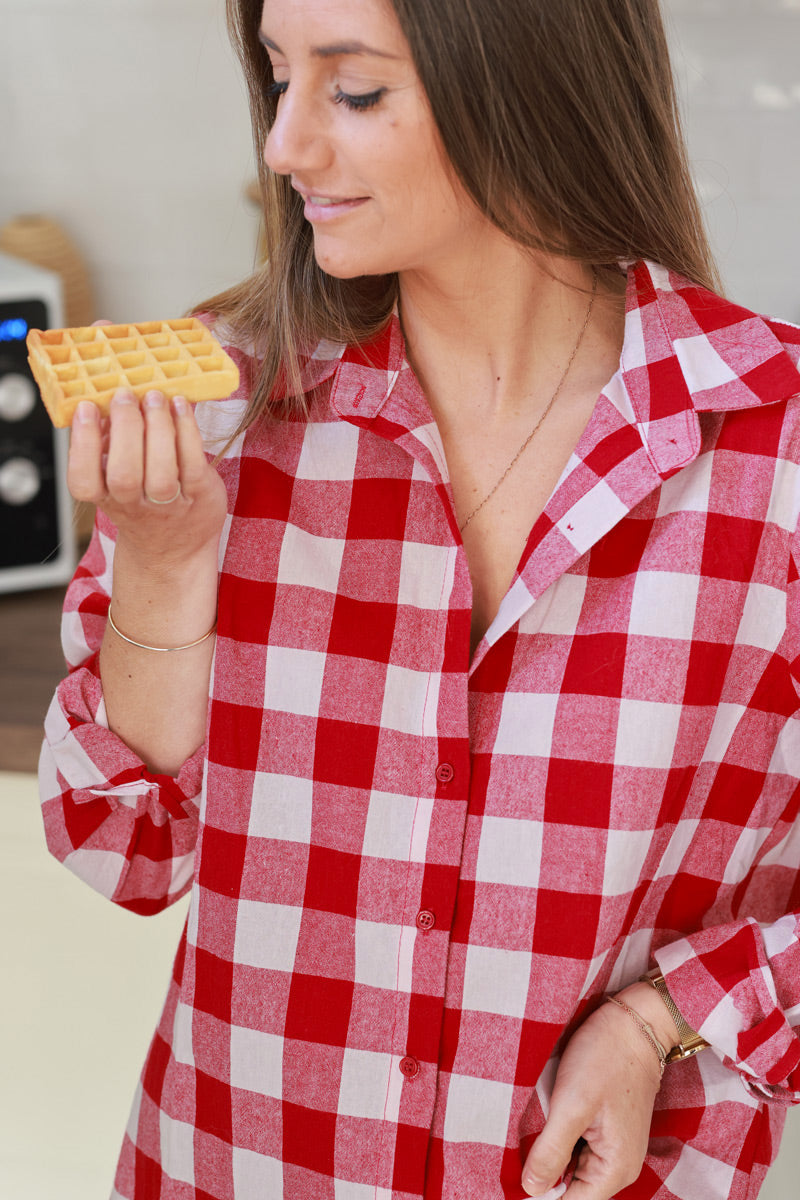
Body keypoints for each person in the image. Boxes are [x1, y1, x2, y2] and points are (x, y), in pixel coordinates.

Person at [38, 0, 800, 1197]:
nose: (284, 145)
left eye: (352, 92)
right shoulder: (223, 408)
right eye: (276, 79)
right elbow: (117, 848)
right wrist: (167, 565)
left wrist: (669, 1018)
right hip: (232, 1161)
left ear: (524, 82)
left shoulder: (773, 444)